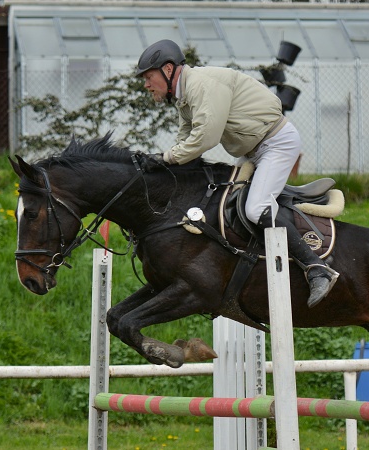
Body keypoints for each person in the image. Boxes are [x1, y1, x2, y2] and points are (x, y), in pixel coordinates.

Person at [136, 39, 338, 307]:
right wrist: (166, 163)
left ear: (169, 69)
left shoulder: (201, 86)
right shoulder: (184, 95)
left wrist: (165, 158)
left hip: (276, 144)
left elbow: (205, 137)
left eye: (149, 77)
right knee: (224, 202)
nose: (146, 85)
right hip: (254, 150)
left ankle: (316, 267)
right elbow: (186, 137)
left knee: (255, 208)